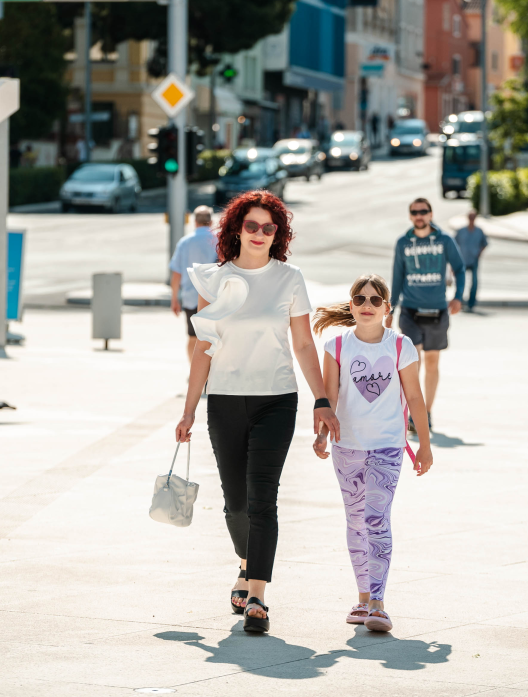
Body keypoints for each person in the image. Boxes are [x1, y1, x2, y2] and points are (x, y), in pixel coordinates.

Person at [175, 190, 340, 634]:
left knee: (262, 498)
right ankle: (247, 563)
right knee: (235, 504)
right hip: (225, 400)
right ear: (237, 228)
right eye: (252, 225)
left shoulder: (289, 279)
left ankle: (257, 597)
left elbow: (303, 344)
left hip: (276, 399)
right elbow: (203, 348)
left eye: (270, 227)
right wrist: (188, 411)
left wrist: (321, 399)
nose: (260, 233)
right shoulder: (214, 279)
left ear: (277, 234)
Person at [312, 274, 433, 633]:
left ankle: (378, 603)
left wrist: (425, 445)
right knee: (355, 521)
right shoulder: (336, 346)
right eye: (360, 299)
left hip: (388, 446)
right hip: (346, 446)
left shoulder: (401, 346)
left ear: (387, 308)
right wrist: (321, 435)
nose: (367, 305)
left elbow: (415, 397)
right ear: (351, 306)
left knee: (376, 519)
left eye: (375, 300)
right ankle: (363, 598)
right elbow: (329, 397)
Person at [386, 197, 465, 431]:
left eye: (423, 211)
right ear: (410, 216)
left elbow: (459, 268)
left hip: (438, 311)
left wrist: (458, 296)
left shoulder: (444, 240)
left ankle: (427, 412)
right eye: (414, 212)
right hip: (410, 311)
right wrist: (391, 309)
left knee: (432, 361)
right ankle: (413, 412)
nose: (419, 216)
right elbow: (397, 277)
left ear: (430, 214)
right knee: (413, 362)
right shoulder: (403, 243)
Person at [169, 206, 219, 363]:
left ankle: (194, 370)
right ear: (211, 221)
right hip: (214, 298)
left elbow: (176, 273)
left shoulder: (185, 242)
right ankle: (210, 371)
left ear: (195, 221)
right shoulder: (219, 240)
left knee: (192, 337)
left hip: (191, 297)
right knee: (213, 338)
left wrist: (174, 298)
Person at [454, 209, 489, 312]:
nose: (472, 219)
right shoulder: (461, 231)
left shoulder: (479, 231)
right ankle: (459, 301)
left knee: (474, 282)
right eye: (470, 217)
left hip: (474, 260)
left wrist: (479, 253)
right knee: (461, 282)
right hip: (463, 260)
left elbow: (484, 243)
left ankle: (471, 303)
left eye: (473, 217)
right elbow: (453, 244)